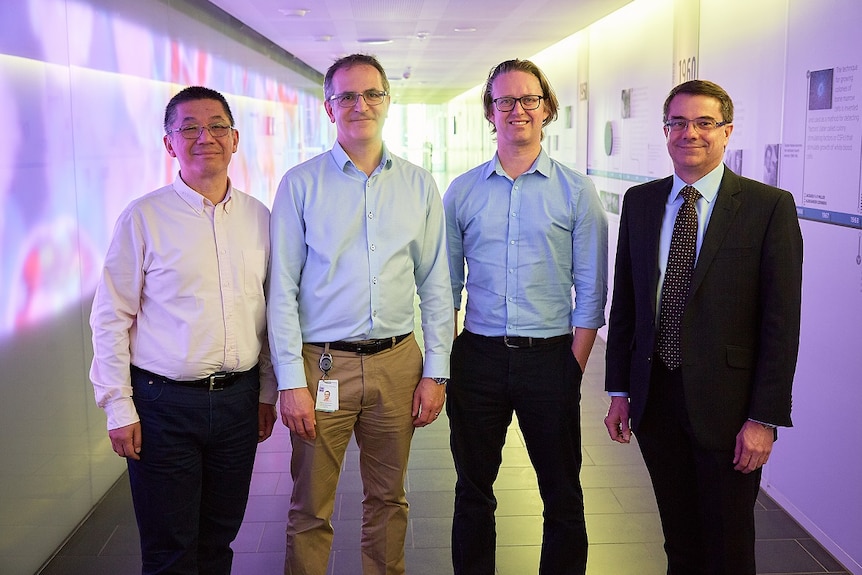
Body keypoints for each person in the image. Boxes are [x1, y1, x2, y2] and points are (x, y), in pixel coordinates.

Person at [603, 80, 803, 574]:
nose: (689, 133)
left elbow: (782, 323)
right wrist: (619, 390)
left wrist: (765, 418)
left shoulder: (767, 207)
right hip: (657, 401)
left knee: (729, 545)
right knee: (678, 539)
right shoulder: (641, 202)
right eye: (678, 123)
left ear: (726, 131)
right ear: (665, 130)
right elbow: (625, 303)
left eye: (704, 123)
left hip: (730, 411)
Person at [267, 53, 454, 575]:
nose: (360, 104)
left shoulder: (418, 185)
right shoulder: (300, 185)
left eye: (371, 93)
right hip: (321, 365)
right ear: (329, 107)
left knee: (388, 500)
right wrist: (289, 382)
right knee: (310, 507)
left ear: (388, 102)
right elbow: (280, 290)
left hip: (398, 363)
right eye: (346, 95)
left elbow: (437, 285)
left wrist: (436, 372)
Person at [89, 86, 278, 574]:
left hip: (237, 404)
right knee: (170, 549)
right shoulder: (144, 217)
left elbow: (272, 313)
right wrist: (117, 406)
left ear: (235, 139)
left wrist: (266, 392)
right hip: (162, 407)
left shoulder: (260, 218)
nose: (204, 137)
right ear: (169, 144)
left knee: (219, 541)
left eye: (216, 126)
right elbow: (111, 315)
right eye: (188, 128)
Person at [444, 59, 608, 575]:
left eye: (528, 99)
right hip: (478, 359)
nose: (517, 110)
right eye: (505, 101)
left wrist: (573, 367)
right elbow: (446, 288)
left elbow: (592, 291)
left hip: (550, 360)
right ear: (491, 112)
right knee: (473, 489)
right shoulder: (463, 191)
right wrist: (448, 361)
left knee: (561, 491)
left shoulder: (577, 192)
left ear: (547, 107)